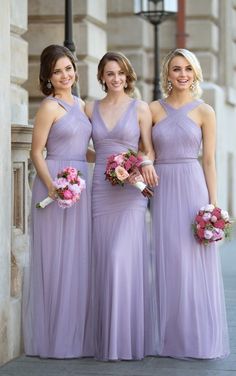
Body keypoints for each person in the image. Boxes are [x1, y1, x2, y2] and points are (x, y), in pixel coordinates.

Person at [149, 48, 230, 359]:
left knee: (193, 262)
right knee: (168, 259)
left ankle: (196, 336)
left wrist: (214, 206)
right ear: (167, 74)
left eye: (187, 69)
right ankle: (169, 339)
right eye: (176, 68)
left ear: (195, 73)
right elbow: (148, 153)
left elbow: (208, 161)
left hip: (193, 185)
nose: (182, 74)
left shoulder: (205, 111)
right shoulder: (153, 109)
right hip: (164, 188)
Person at [85, 51, 158, 361]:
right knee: (104, 261)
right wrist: (103, 162)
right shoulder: (90, 109)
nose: (116, 79)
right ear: (102, 77)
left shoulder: (140, 109)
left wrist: (136, 163)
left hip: (130, 193)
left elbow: (148, 150)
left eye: (121, 73)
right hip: (101, 191)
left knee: (120, 259)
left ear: (128, 77)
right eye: (109, 73)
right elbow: (85, 148)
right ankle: (107, 340)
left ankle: (125, 341)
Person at [23, 44, 93, 358]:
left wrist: (113, 160)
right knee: (54, 259)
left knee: (77, 258)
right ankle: (53, 338)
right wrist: (51, 186)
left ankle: (76, 335)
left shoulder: (83, 105)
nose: (64, 75)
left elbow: (86, 150)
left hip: (81, 183)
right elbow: (36, 151)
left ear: (75, 70)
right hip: (54, 184)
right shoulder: (49, 107)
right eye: (57, 71)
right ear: (48, 77)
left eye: (68, 68)